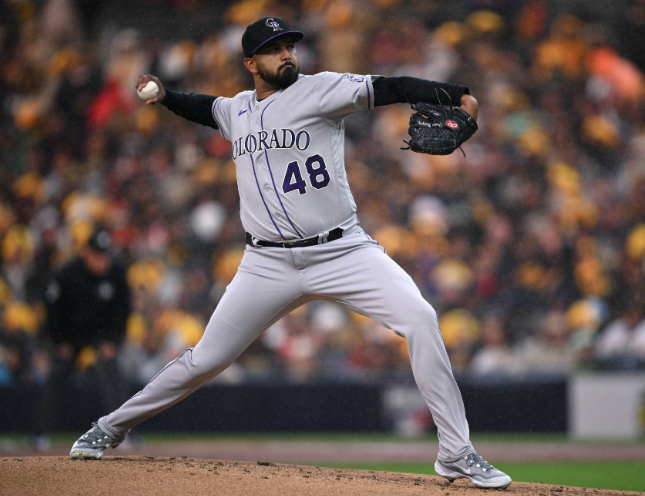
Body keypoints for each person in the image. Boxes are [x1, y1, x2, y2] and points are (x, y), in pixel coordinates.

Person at [70, 17, 511, 489]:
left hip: (341, 251)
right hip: (267, 263)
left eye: (289, 46)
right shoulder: (235, 110)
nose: (286, 55)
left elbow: (392, 86)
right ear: (250, 63)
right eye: (273, 49)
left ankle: (456, 452)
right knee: (206, 360)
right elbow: (203, 107)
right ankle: (110, 426)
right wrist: (163, 95)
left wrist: (456, 94)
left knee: (421, 318)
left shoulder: (322, 90)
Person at [33, 228, 130, 442]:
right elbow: (53, 310)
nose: (101, 261)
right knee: (57, 375)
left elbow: (123, 310)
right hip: (70, 335)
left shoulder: (116, 273)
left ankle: (123, 432)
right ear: (86, 252)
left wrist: (112, 340)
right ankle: (40, 434)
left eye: (104, 255)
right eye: (97, 255)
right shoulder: (68, 273)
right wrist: (60, 341)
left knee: (113, 376)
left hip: (101, 335)